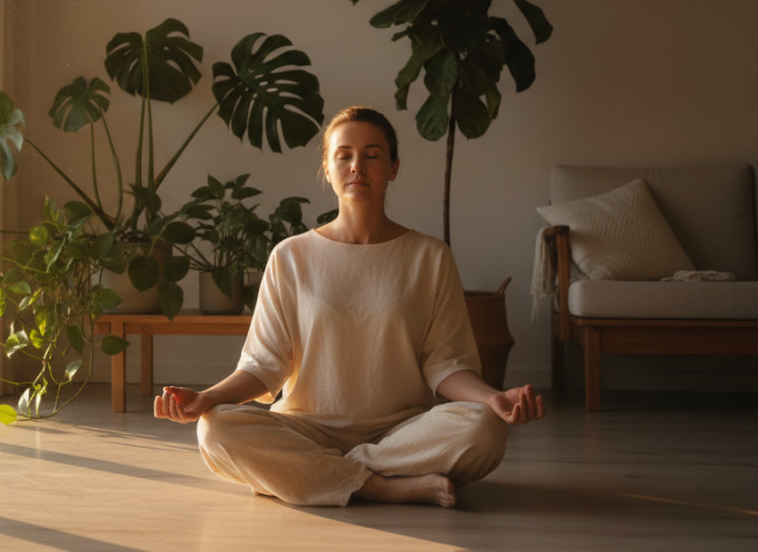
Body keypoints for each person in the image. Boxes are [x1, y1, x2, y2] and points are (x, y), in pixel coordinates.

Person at [154, 105, 544, 508]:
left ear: (393, 167)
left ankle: (312, 474)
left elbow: (446, 364)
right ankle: (380, 485)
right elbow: (263, 366)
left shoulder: (429, 256)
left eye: (372, 155)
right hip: (305, 429)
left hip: (402, 432)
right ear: (327, 168)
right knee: (215, 428)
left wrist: (493, 398)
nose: (358, 166)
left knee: (485, 427)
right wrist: (207, 398)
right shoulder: (291, 256)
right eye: (344, 156)